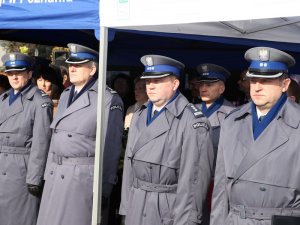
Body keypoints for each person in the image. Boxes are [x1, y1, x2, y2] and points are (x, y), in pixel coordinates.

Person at [120, 54, 214, 225]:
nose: (151, 86)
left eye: (158, 81)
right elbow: (129, 168)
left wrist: (187, 221)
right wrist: (126, 208)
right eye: (148, 81)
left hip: (167, 210)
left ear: (175, 84)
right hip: (137, 204)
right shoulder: (139, 115)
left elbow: (193, 183)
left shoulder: (192, 122)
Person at [210, 47, 300, 225]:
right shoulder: (232, 122)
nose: (257, 87)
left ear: (285, 84)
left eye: (266, 81)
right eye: (253, 80)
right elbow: (220, 187)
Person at [37, 43, 124, 225]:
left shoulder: (107, 98)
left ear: (92, 69)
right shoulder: (66, 93)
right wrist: (46, 174)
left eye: (79, 64)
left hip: (81, 178)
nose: (73, 68)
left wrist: (104, 189)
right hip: (56, 174)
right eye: (71, 64)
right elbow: (56, 136)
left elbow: (111, 148)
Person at [0, 53, 53, 225]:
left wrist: (34, 178)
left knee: (20, 218)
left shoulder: (39, 100)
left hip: (21, 170)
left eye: (19, 72)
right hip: (2, 165)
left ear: (29, 74)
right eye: (10, 73)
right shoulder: (3, 99)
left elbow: (41, 141)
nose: (14, 76)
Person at [196, 63, 235, 169]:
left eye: (209, 85)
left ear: (221, 89)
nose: (203, 89)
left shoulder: (232, 115)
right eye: (201, 84)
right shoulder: (190, 110)